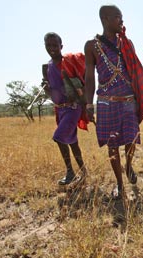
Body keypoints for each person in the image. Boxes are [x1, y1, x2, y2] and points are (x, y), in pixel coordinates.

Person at [84, 5, 143, 198]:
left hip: (129, 101)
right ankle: (120, 185)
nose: (121, 21)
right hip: (106, 102)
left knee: (130, 139)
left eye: (121, 17)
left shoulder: (127, 44)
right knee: (112, 144)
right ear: (105, 19)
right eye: (117, 17)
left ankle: (128, 167)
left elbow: (135, 72)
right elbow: (89, 77)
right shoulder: (92, 46)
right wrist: (88, 104)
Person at [42, 32, 89, 185]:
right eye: (48, 45)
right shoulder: (46, 67)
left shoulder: (69, 62)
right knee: (72, 142)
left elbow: (82, 80)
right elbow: (52, 95)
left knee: (59, 137)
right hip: (60, 109)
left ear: (61, 46)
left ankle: (70, 172)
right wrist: (46, 89)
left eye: (55, 45)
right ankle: (84, 171)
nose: (52, 48)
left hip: (73, 108)